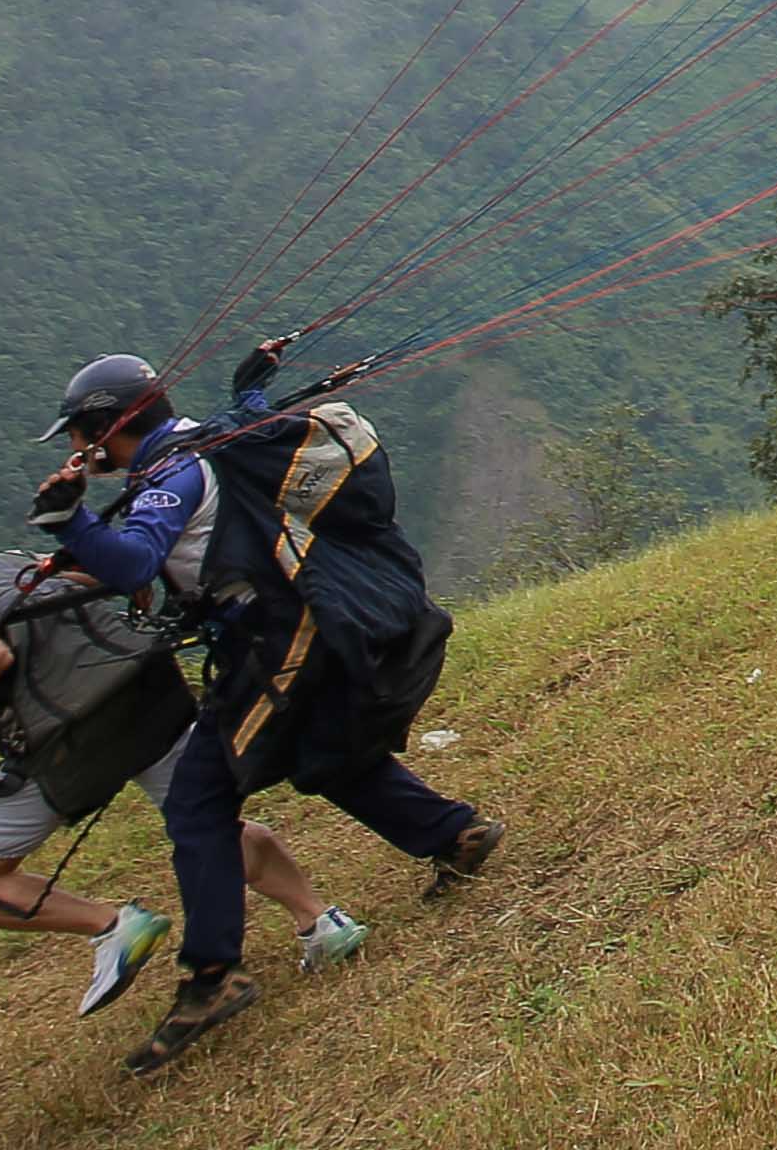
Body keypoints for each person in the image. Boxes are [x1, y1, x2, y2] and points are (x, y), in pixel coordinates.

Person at [36, 354, 504, 1079]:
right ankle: (454, 832)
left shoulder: (174, 474)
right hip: (285, 626)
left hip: (278, 638)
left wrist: (68, 521)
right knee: (321, 755)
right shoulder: (200, 448)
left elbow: (133, 564)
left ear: (107, 427)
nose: (78, 450)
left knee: (199, 799)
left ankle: (213, 974)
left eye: (82, 435)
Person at [0, 521, 360, 1017]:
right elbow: (107, 575)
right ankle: (319, 921)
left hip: (68, 741)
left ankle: (113, 927)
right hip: (143, 694)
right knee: (211, 827)